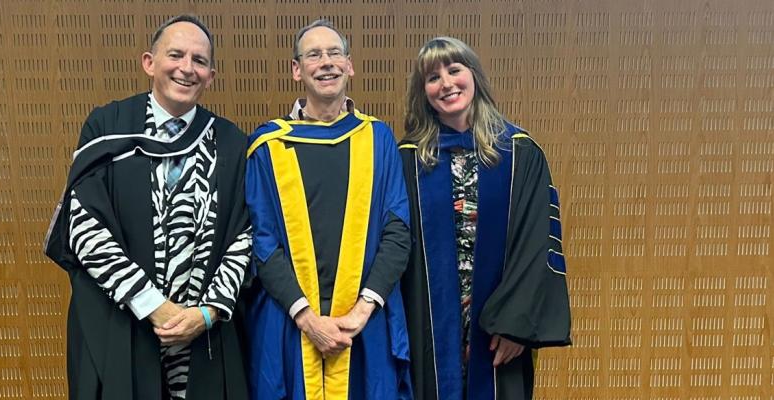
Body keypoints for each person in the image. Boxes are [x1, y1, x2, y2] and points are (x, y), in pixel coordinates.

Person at [44, 15, 251, 400]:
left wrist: (206, 313)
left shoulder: (231, 143)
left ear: (211, 75)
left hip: (202, 336)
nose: (187, 68)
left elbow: (245, 236)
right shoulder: (108, 126)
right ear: (149, 62)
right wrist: (152, 305)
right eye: (176, 55)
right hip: (122, 322)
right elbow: (84, 226)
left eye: (199, 61)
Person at [244, 19, 413, 400]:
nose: (326, 62)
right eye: (314, 55)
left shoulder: (377, 138)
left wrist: (361, 312)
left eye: (335, 53)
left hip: (364, 322)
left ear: (350, 65)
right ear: (297, 69)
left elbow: (397, 230)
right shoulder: (267, 145)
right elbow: (261, 240)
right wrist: (307, 319)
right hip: (290, 321)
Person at [399, 36, 572, 400]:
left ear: (473, 75)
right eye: (433, 77)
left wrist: (515, 326)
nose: (446, 83)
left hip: (498, 326)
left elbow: (537, 242)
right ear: (423, 91)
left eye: (454, 70)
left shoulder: (520, 152)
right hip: (428, 326)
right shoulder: (409, 159)